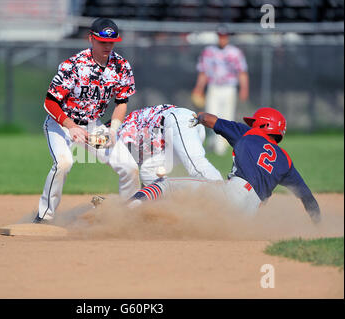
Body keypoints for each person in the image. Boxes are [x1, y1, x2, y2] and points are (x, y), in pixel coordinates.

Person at [129, 107, 322, 224]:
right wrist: (318, 226)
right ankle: (156, 219)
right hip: (249, 215)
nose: (252, 125)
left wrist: (198, 117)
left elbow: (209, 120)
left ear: (264, 126)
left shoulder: (249, 133)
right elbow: (308, 199)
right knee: (201, 211)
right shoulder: (285, 160)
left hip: (234, 193)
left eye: (256, 123)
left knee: (164, 184)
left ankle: (128, 208)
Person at [34, 18, 140, 223]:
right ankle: (44, 217)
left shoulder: (121, 66)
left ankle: (130, 216)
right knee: (64, 163)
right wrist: (71, 126)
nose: (107, 46)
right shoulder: (74, 65)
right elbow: (50, 102)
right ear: (91, 38)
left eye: (111, 42)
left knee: (129, 167)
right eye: (102, 41)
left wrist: (113, 129)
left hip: (93, 126)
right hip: (62, 124)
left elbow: (121, 102)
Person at [117, 104, 223, 186]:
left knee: (196, 166)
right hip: (174, 132)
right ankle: (169, 203)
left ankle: (225, 198)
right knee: (147, 170)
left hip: (176, 122)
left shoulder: (122, 130)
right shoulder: (127, 130)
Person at [191, 24, 249, 155]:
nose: (222, 39)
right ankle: (214, 143)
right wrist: (198, 88)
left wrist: (244, 88)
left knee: (226, 117)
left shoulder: (235, 52)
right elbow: (203, 72)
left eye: (224, 36)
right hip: (214, 87)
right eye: (220, 36)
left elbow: (242, 72)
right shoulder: (209, 51)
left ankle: (221, 147)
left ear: (227, 37)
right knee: (211, 114)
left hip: (229, 87)